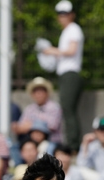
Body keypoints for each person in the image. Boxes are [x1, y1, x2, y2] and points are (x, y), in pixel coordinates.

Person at [37, 1, 84, 150]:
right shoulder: (67, 31)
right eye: (60, 14)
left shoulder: (73, 29)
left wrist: (52, 51)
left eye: (65, 14)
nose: (62, 17)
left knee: (69, 110)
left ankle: (73, 145)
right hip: (65, 74)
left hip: (71, 74)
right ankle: (72, 143)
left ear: (72, 15)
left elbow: (71, 51)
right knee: (67, 110)